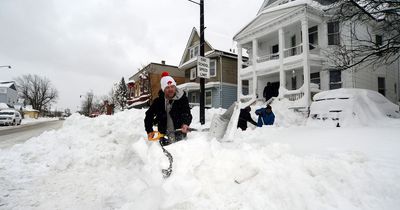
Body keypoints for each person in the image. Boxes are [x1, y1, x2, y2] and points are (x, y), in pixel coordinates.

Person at [144, 72, 192, 146]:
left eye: (172, 86)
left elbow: (186, 113)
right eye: (167, 87)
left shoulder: (182, 99)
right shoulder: (158, 102)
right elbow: (149, 115)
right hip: (164, 137)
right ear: (163, 89)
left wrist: (185, 123)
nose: (170, 89)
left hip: (179, 135)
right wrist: (149, 130)